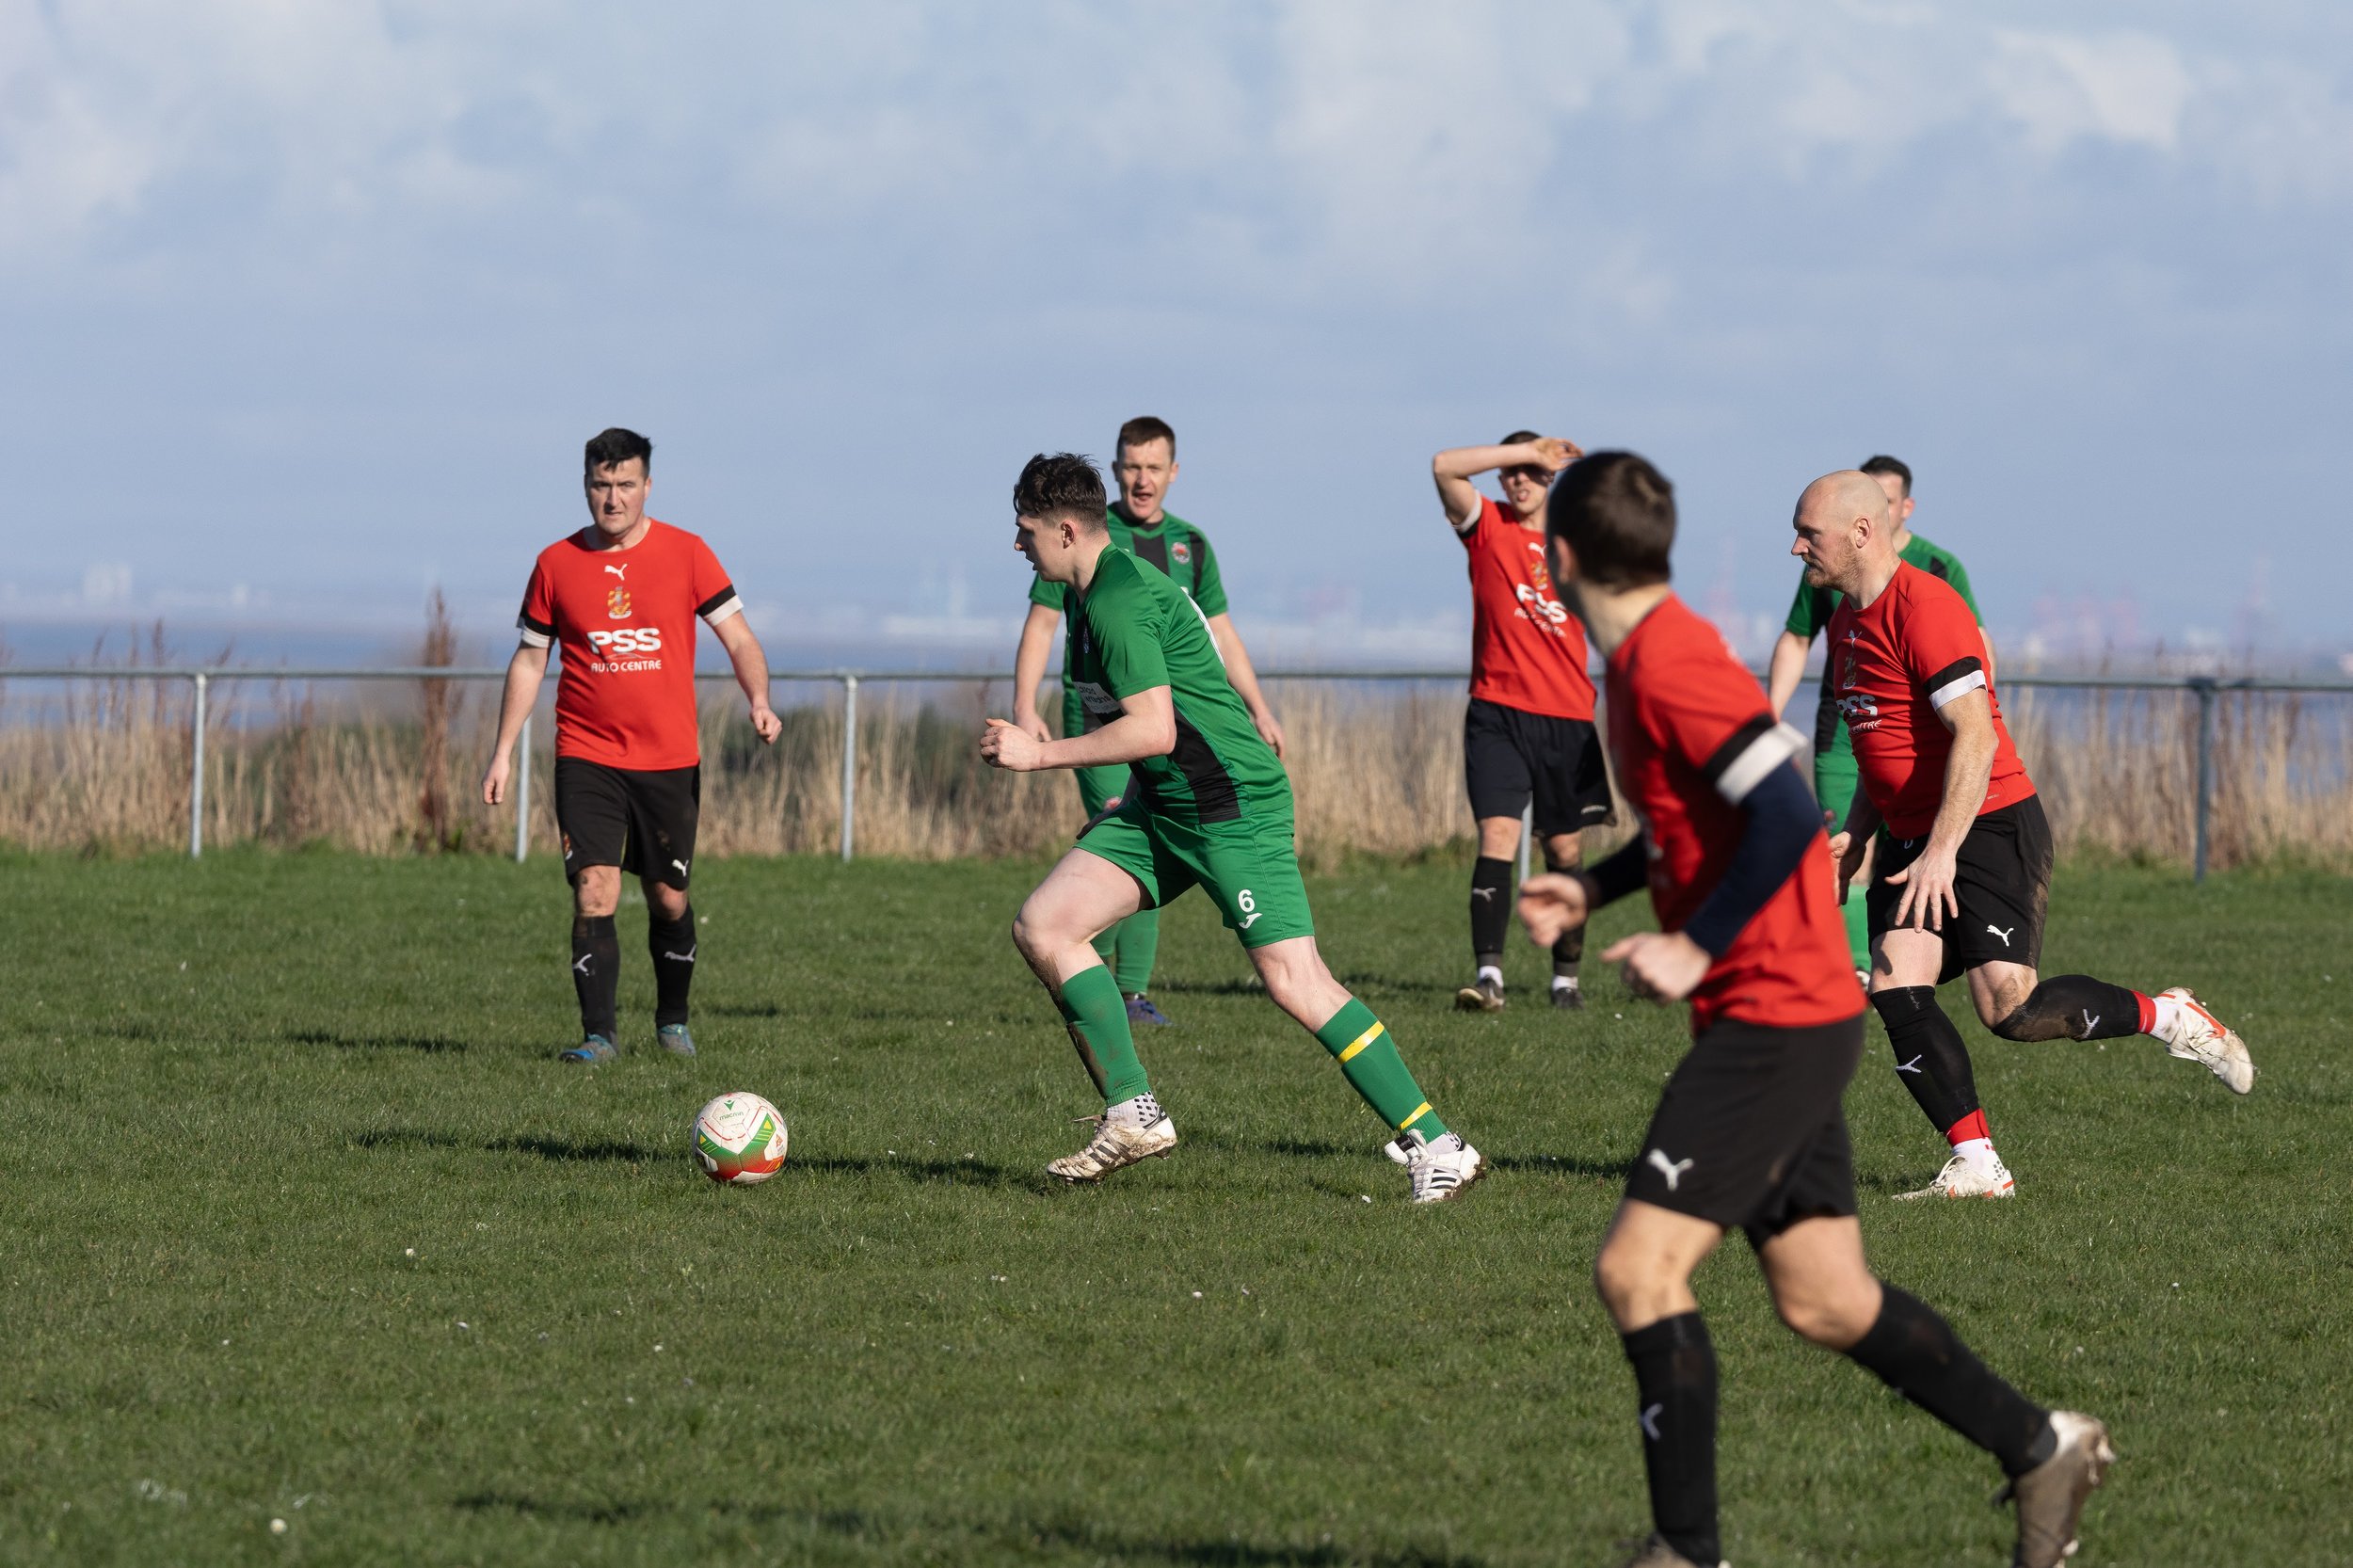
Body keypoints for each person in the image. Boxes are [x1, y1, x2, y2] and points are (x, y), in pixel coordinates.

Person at [1518, 451, 2113, 1568]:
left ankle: (1685, 1550)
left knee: (1636, 1271)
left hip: (1771, 1020)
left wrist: (1697, 944)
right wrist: (1594, 886)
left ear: (1563, 556)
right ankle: (2040, 1445)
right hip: (1778, 1018)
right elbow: (1710, 820)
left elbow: (1787, 814)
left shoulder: (1667, 664)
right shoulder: (1648, 664)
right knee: (1826, 1300)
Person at [984, 453, 1481, 1203]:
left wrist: (1040, 754)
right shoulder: (1087, 594)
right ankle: (1132, 1115)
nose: (1017, 545)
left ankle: (1439, 1145)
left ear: (1062, 527)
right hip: (1166, 806)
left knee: (1295, 981)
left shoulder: (1117, 601)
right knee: (1046, 926)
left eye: (1023, 530)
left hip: (1230, 809)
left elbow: (1151, 728)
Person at [1794, 470, 2253, 1199]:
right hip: (1915, 835)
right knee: (1895, 985)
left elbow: (1973, 738)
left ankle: (2168, 1014)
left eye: (1808, 534)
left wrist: (1943, 851)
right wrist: (1856, 834)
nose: (1796, 548)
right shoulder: (1845, 620)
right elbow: (1885, 743)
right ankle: (1978, 1165)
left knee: (2009, 1009)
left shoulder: (1927, 607)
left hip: (1987, 822)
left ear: (1860, 533)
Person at [480, 427, 781, 1062]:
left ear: (648, 486)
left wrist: (757, 698)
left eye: (624, 485)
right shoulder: (555, 565)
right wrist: (504, 749)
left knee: (667, 896)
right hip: (585, 754)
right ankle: (599, 1038)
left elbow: (741, 639)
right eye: (600, 485)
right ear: (584, 485)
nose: (611, 498)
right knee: (595, 888)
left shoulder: (688, 553)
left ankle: (672, 1022)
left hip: (669, 759)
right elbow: (531, 661)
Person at [1010, 417, 1284, 1028]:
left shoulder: (1189, 547)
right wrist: (1027, 707)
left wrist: (1259, 709)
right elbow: (1041, 625)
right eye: (1131, 466)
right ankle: (1096, 982)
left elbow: (1222, 636)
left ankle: (1126, 992)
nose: (1141, 478)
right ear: (1116, 469)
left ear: (1172, 473)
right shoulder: (1075, 540)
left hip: (1170, 738)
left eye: (1153, 467)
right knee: (1118, 845)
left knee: (1151, 832)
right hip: (1099, 722)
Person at [1766, 456, 1990, 983]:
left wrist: (1980, 714)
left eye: (1888, 502)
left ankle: (1914, 961)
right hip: (1843, 735)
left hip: (1919, 739)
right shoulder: (1827, 566)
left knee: (2005, 997)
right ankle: (1860, 969)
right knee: (1845, 850)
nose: (1801, 546)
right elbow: (1797, 637)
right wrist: (1766, 715)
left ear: (1894, 511)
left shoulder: (1936, 572)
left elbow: (1974, 644)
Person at [1431, 432, 1615, 1012]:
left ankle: (1566, 981)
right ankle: (1489, 980)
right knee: (1499, 837)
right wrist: (1522, 450)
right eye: (1513, 471)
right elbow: (1444, 465)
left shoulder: (1577, 544)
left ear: (1551, 480)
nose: (1521, 480)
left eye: (1534, 472)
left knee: (1563, 851)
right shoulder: (1487, 525)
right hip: (1496, 713)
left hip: (1567, 718)